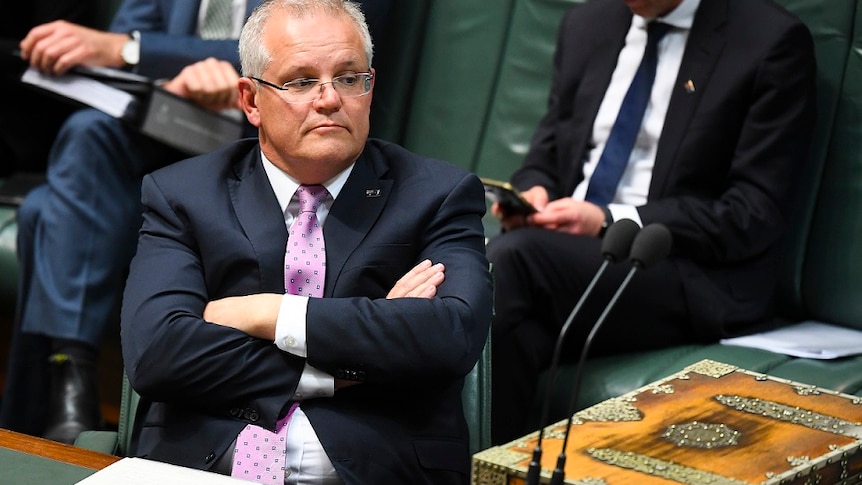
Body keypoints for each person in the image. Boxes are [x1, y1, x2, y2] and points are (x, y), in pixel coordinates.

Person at [120, 0, 492, 483]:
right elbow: (158, 353)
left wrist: (269, 314)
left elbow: (451, 334)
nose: (330, 98)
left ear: (370, 88)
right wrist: (343, 371)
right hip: (201, 468)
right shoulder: (182, 195)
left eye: (348, 77)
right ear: (251, 100)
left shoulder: (438, 195)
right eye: (300, 81)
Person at [487, 0, 816, 444]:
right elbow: (548, 152)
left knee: (509, 263)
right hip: (564, 257)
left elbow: (752, 213)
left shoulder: (769, 41)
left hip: (685, 267)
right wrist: (533, 194)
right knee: (513, 324)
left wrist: (609, 220)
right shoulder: (590, 23)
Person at [0, 0, 265, 443]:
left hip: (247, 134)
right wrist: (168, 80)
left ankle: (49, 418)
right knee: (88, 132)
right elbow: (120, 44)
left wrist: (137, 53)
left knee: (43, 213)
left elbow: (302, 46)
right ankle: (70, 389)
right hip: (158, 124)